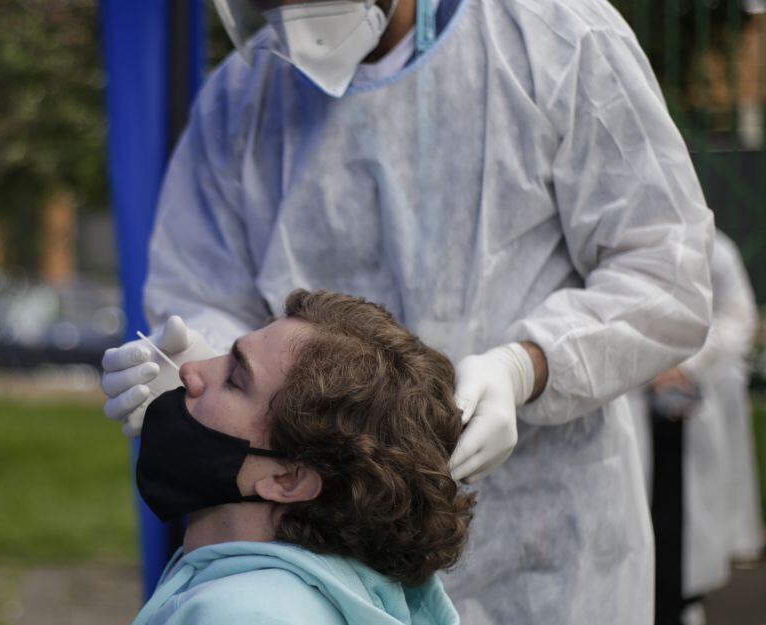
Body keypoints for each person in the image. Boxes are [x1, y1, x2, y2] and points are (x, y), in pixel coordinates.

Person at [102, 1, 715, 623]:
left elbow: (667, 270)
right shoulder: (243, 95)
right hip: (320, 554)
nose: (284, 14)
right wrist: (208, 366)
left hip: (545, 550)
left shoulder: (556, 37)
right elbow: (198, 284)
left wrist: (527, 367)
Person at [131, 289, 472, 625]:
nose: (190, 369)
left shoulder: (243, 617)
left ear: (289, 479)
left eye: (235, 378)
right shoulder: (258, 588)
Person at [628, 231, 761, 625]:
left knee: (686, 526)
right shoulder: (625, 238)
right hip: (632, 402)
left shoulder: (716, 247)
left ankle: (682, 603)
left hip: (691, 409)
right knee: (636, 516)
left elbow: (738, 315)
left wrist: (686, 364)